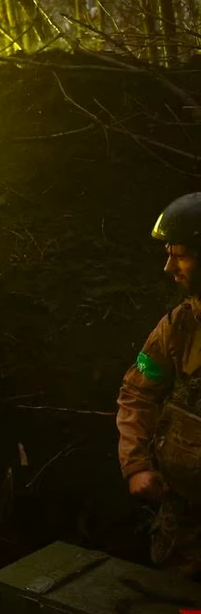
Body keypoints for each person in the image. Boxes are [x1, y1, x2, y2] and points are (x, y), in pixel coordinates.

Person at [117, 191, 201, 579]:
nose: (169, 267)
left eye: (180, 254)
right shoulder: (179, 326)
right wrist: (136, 465)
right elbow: (138, 391)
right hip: (183, 518)